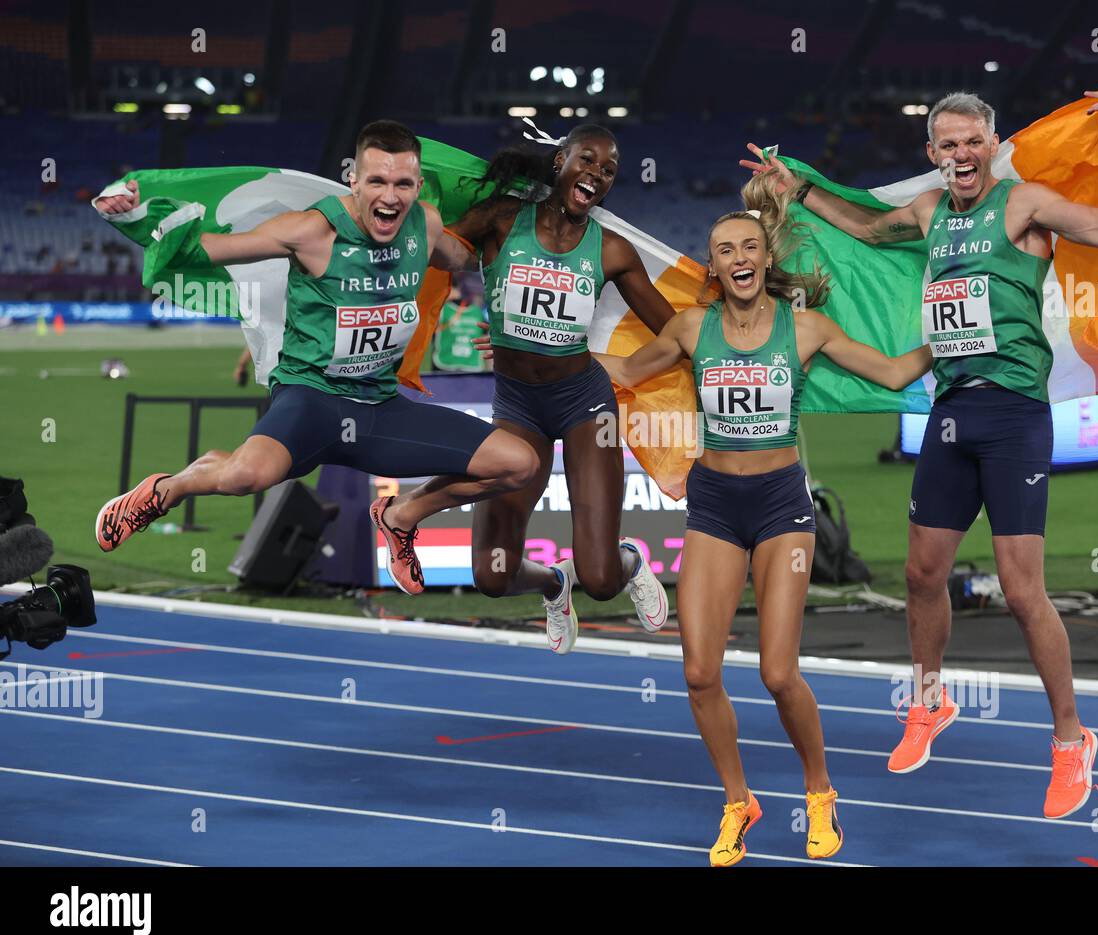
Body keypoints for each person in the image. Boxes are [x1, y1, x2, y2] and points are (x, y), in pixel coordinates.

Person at [741, 67, 1098, 818]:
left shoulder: (1021, 206)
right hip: (951, 413)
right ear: (932, 149)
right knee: (923, 574)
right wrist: (797, 185)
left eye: (973, 140)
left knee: (1024, 592)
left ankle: (1069, 739)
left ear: (992, 144)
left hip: (1016, 412)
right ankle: (928, 701)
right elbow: (860, 225)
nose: (960, 152)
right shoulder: (928, 213)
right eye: (947, 142)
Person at [596, 200, 932, 865]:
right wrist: (534, 360)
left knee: (778, 671)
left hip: (782, 506)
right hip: (715, 504)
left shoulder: (806, 330)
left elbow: (892, 372)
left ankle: (818, 792)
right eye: (726, 251)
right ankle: (736, 801)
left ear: (766, 258)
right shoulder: (692, 329)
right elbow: (626, 374)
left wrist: (956, 343)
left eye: (750, 247)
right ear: (714, 267)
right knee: (698, 672)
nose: (741, 259)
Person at [94, 120, 539, 562]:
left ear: (418, 185)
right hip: (311, 401)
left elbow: (464, 258)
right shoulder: (310, 231)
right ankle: (168, 488)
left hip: (381, 409)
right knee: (243, 477)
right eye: (377, 181)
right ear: (354, 181)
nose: (390, 196)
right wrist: (135, 216)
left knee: (518, 463)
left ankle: (401, 517)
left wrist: (524, 230)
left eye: (403, 184)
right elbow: (202, 249)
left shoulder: (425, 224)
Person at [387, 124, 671, 654]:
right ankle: (553, 584)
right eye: (588, 160)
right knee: (493, 576)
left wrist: (741, 332)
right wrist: (407, 215)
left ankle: (629, 558)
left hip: (586, 406)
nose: (598, 175)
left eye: (609, 171)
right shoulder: (501, 218)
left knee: (604, 579)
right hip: (518, 407)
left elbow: (672, 330)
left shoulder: (612, 251)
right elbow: (444, 252)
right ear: (560, 161)